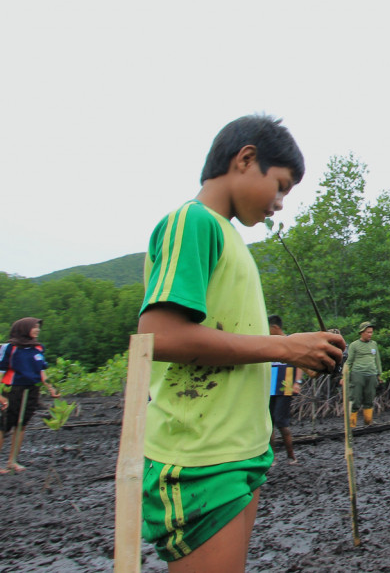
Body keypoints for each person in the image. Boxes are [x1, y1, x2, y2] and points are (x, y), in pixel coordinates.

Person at [137, 115, 346, 571]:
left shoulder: (232, 239)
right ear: (246, 159)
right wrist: (284, 348)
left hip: (241, 450)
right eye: (281, 186)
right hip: (199, 456)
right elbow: (158, 337)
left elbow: (228, 343)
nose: (280, 203)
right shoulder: (192, 222)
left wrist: (301, 353)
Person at [0, 317, 59, 474]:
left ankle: (12, 461)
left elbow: (41, 371)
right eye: (34, 327)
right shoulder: (10, 348)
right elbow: (1, 370)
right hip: (12, 389)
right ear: (24, 329)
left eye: (38, 327)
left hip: (32, 389)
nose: (37, 330)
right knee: (4, 425)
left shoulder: (38, 348)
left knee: (22, 424)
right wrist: (1, 396)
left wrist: (50, 388)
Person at [268, 315, 303, 465]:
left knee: (281, 421)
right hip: (269, 386)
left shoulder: (291, 341)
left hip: (285, 384)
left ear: (275, 327)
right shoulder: (268, 342)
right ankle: (272, 457)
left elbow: (300, 362)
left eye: (268, 328)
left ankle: (291, 456)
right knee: (268, 422)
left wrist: (297, 382)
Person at [347, 321, 383, 427]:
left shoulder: (374, 344)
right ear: (362, 332)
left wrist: (379, 374)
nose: (370, 334)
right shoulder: (354, 345)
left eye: (371, 332)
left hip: (371, 374)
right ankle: (352, 425)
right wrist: (344, 376)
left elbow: (377, 360)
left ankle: (368, 423)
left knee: (369, 399)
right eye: (368, 332)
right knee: (355, 399)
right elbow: (349, 361)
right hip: (358, 374)